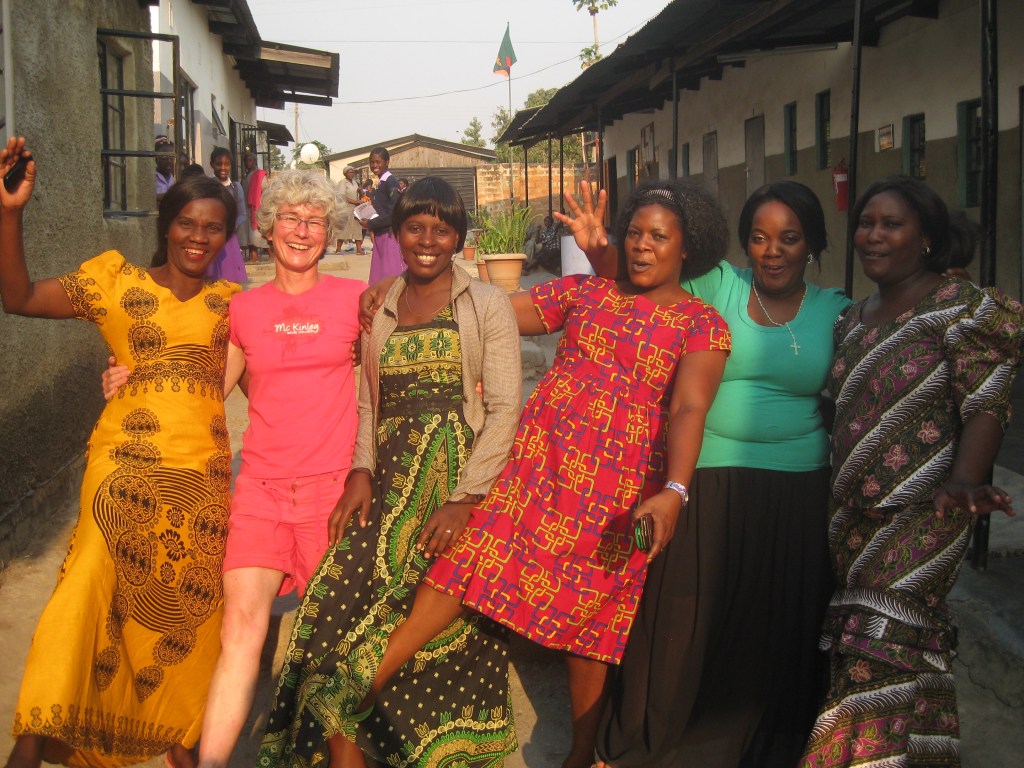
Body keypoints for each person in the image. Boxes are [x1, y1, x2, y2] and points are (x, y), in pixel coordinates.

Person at [350, 179, 732, 768]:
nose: (642, 245)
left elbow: (688, 409)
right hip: (538, 467)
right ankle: (359, 690)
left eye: (659, 237)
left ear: (688, 246)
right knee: (465, 563)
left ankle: (580, 752)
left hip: (617, 490)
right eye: (634, 233)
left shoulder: (701, 323)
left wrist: (674, 491)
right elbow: (489, 310)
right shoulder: (585, 292)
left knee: (592, 620)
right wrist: (405, 286)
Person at [571, 180, 850, 767]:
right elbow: (641, 276)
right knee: (681, 618)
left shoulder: (837, 310)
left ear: (812, 244)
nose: (773, 251)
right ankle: (646, 743)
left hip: (796, 486)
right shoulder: (720, 284)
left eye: (789, 238)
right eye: (759, 238)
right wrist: (599, 250)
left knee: (772, 623)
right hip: (704, 475)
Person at [102, 171, 366, 768]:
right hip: (261, 493)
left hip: (332, 493)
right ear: (268, 228)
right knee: (241, 631)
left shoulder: (356, 301)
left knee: (333, 639)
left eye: (315, 221)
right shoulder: (243, 309)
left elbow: (390, 372)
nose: (302, 231)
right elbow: (201, 392)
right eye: (290, 218)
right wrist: (130, 383)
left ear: (330, 233)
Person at [257, 176, 521, 768]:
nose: (428, 241)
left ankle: (397, 721)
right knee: (334, 600)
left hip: (456, 471)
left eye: (442, 230)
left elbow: (505, 407)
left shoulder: (486, 304)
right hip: (390, 475)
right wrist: (361, 470)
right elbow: (370, 400)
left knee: (431, 597)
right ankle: (345, 737)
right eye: (415, 228)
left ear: (459, 238)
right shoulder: (380, 307)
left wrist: (466, 498)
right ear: (396, 234)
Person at [1, 136, 240, 768]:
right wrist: (9, 213)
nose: (197, 237)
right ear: (165, 226)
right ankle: (32, 740)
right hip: (123, 464)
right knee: (87, 580)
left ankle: (179, 745)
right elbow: (19, 297)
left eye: (212, 228)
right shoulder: (115, 282)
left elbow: (291, 373)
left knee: (189, 606)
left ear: (226, 237)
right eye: (186, 223)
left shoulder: (233, 306)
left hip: (201, 477)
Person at [798, 177, 1021, 767]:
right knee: (901, 649)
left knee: (879, 643)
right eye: (866, 223)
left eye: (891, 224)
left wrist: (966, 480)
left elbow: (988, 399)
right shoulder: (852, 319)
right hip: (851, 520)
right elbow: (845, 408)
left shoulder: (959, 308)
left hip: (926, 513)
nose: (873, 236)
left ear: (926, 238)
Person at [205, 147, 248, 283]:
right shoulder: (206, 185)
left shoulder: (236, 187)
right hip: (210, 236)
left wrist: (231, 226)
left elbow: (242, 213)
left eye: (227, 164)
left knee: (230, 278)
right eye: (218, 164)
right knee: (211, 276)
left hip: (229, 238)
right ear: (212, 164)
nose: (223, 168)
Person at [363, 147, 403, 283]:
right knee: (379, 277)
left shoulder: (390, 183)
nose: (374, 165)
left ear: (387, 162)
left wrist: (370, 223)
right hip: (381, 234)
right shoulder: (381, 183)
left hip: (389, 236)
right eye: (372, 162)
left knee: (391, 278)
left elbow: (394, 213)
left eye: (378, 162)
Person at [241, 152, 269, 263]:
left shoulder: (260, 175)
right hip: (246, 210)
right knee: (250, 235)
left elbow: (266, 191)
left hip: (257, 209)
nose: (248, 163)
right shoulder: (246, 176)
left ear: (255, 161)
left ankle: (271, 256)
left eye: (250, 160)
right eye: (246, 161)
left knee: (259, 234)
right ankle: (254, 257)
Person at [334, 165, 363, 255]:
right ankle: (338, 249)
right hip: (346, 208)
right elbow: (342, 197)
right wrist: (355, 201)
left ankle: (359, 249)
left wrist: (360, 191)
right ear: (345, 174)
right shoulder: (343, 182)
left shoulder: (355, 182)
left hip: (355, 208)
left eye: (352, 172)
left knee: (357, 227)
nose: (351, 174)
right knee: (345, 228)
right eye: (349, 172)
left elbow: (358, 193)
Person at [155, 134, 175, 203]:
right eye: (164, 157)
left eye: (171, 157)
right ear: (156, 158)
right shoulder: (152, 178)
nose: (169, 161)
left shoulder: (175, 177)